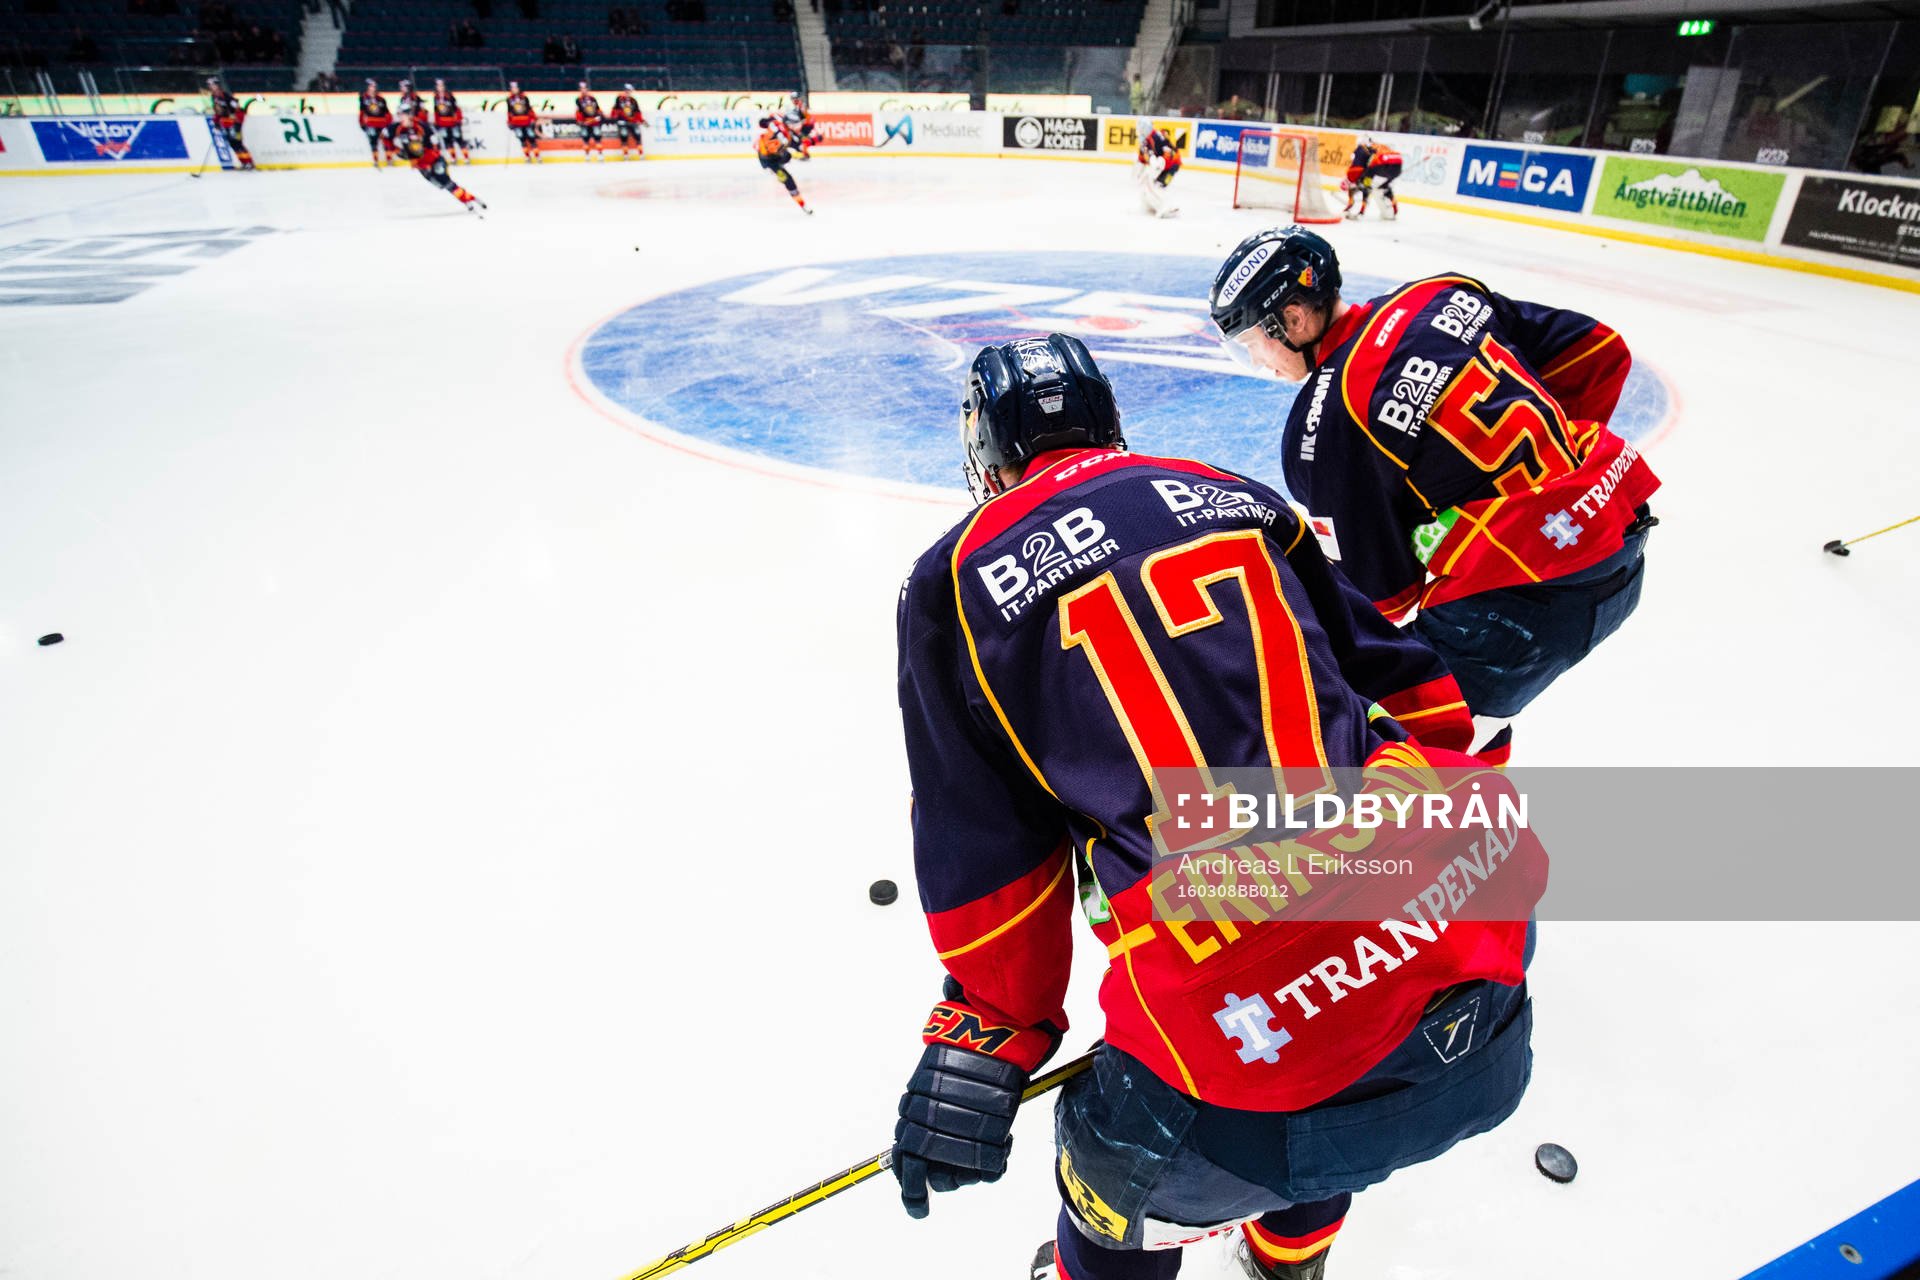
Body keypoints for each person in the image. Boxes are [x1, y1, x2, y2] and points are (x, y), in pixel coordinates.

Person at [890, 333, 1541, 1280]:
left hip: (1247, 1048)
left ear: (987, 450)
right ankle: (1288, 1262)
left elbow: (987, 848)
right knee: (1347, 1057)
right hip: (1482, 986)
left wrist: (991, 1029)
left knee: (1112, 1166)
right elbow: (1417, 694)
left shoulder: (951, 584)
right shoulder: (1233, 494)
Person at [1209, 227, 1660, 758]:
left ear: (1292, 319)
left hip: (1527, 603)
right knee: (1465, 709)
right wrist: (1559, 481)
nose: (1259, 361)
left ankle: (1466, 832)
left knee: (1370, 728)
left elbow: (1381, 599)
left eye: (1252, 344)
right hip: (1621, 532)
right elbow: (1598, 352)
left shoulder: (1322, 428)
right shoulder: (1442, 295)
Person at [393, 116, 486, 214]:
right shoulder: (401, 133)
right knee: (443, 185)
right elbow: (403, 151)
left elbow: (432, 143)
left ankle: (469, 200)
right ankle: (469, 198)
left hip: (435, 161)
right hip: (423, 167)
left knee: (448, 184)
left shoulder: (423, 131)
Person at [755, 115, 811, 213]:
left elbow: (762, 122)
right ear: (789, 124)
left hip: (773, 153)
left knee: (787, 158)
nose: (798, 127)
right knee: (787, 179)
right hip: (769, 160)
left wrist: (804, 153)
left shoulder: (780, 124)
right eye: (795, 125)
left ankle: (802, 205)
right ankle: (802, 205)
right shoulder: (781, 132)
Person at [205, 76, 254, 170]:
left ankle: (248, 162)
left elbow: (236, 107)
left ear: (217, 85)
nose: (211, 87)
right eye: (210, 85)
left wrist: (237, 117)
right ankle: (243, 162)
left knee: (238, 142)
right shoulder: (214, 97)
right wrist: (216, 122)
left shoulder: (225, 96)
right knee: (233, 144)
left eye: (213, 85)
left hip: (235, 123)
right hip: (226, 123)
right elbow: (218, 111)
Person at [1135, 119, 1181, 218]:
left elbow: (1169, 151)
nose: (1139, 131)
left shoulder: (1156, 136)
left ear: (1145, 128)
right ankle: (1155, 206)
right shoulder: (1146, 141)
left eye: (1140, 129)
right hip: (1162, 166)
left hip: (1172, 166)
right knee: (1150, 186)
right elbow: (1142, 158)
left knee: (1158, 185)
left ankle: (1165, 207)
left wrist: (1160, 163)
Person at [432, 79, 471, 164]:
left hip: (453, 122)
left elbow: (457, 108)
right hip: (442, 123)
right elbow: (436, 111)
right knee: (447, 142)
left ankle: (466, 158)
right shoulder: (436, 97)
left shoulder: (449, 96)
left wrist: (458, 119)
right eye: (438, 86)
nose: (440, 87)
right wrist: (436, 122)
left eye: (441, 85)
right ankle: (453, 158)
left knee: (459, 140)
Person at [358, 79, 395, 167]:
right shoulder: (363, 98)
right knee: (373, 143)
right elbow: (361, 112)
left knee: (386, 142)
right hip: (371, 124)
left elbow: (387, 113)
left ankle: (389, 159)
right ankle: (375, 160)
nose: (372, 88)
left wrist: (389, 124)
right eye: (371, 86)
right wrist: (361, 124)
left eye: (374, 86)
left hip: (382, 124)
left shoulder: (381, 99)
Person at [505, 81, 541, 162]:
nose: (514, 90)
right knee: (522, 140)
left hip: (527, 121)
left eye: (516, 88)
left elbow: (529, 109)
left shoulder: (524, 97)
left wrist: (533, 119)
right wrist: (509, 122)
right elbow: (509, 111)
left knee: (532, 138)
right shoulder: (509, 99)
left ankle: (537, 156)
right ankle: (527, 156)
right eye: (512, 88)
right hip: (516, 123)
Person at [610, 84, 646, 159]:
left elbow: (637, 112)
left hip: (632, 122)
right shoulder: (619, 99)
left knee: (637, 135)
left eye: (630, 91)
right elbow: (615, 110)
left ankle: (641, 154)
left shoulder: (633, 100)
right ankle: (626, 155)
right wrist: (615, 119)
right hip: (622, 122)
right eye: (628, 90)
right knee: (624, 135)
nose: (629, 92)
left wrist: (640, 120)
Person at [778, 90, 815, 160]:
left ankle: (804, 154)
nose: (795, 100)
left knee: (802, 139)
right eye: (793, 98)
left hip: (802, 126)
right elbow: (785, 118)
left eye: (796, 98)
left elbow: (806, 118)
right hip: (793, 127)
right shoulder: (789, 107)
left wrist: (799, 125)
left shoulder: (802, 106)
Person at [574, 82, 605, 160]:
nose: (583, 90)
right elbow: (578, 111)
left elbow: (597, 109)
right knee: (585, 139)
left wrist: (600, 114)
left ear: (587, 89)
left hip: (595, 122)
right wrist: (580, 120)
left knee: (597, 138)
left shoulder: (592, 98)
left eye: (585, 88)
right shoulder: (578, 100)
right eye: (581, 89)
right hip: (585, 123)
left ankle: (600, 155)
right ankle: (587, 155)